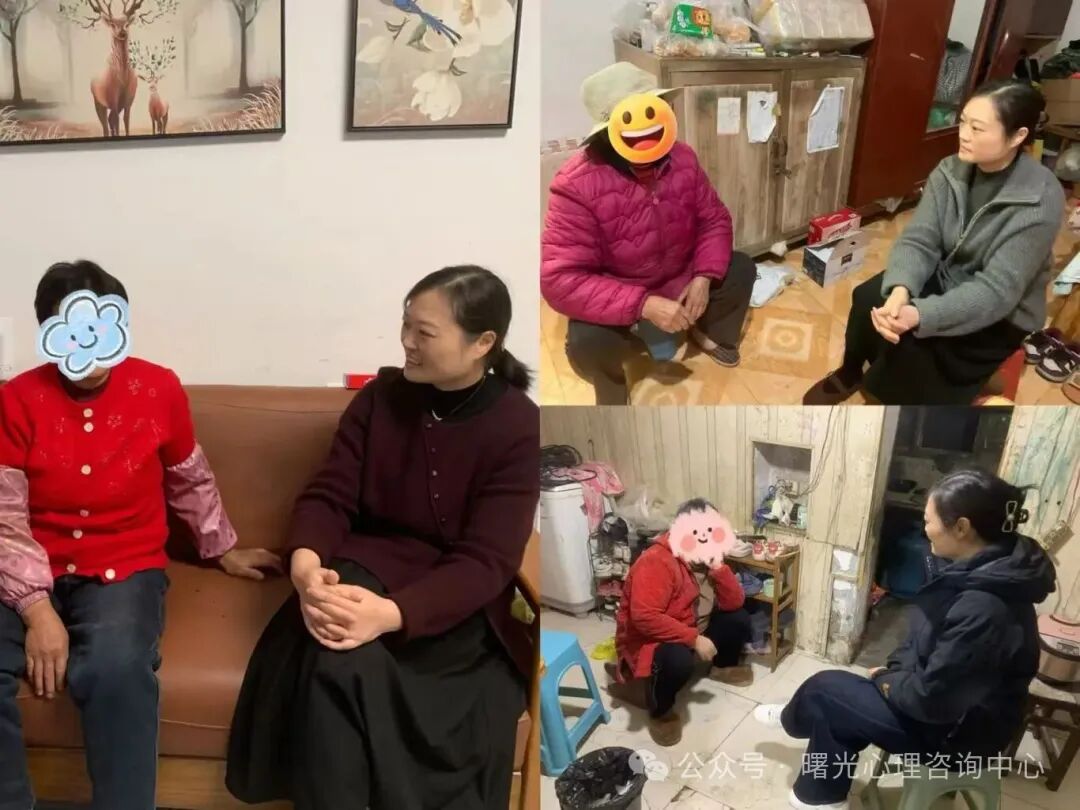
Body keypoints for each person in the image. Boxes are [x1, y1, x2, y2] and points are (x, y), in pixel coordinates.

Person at [226, 266, 539, 810]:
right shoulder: (380, 399)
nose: (407, 342)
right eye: (405, 325)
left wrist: (391, 615)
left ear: (482, 343)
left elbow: (487, 560)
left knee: (343, 666)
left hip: (454, 608)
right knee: (332, 657)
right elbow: (330, 494)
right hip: (363, 569)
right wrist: (306, 564)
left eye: (425, 332)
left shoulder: (518, 425)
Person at [0, 260, 280, 810]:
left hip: (124, 566)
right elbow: (5, 514)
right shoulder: (16, 399)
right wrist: (37, 610)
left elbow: (188, 475)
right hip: (26, 565)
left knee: (116, 669)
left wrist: (221, 547)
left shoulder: (157, 388)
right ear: (49, 332)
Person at [753, 469, 1055, 810]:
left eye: (928, 521)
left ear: (961, 527)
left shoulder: (985, 608)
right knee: (836, 707)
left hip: (959, 737)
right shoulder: (983, 569)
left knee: (825, 690)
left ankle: (794, 721)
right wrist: (896, 672)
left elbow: (932, 701)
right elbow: (922, 637)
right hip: (949, 708)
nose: (924, 529)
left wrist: (886, 679)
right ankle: (819, 796)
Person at [805, 79, 1065, 405]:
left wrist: (920, 314)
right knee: (869, 297)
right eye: (964, 121)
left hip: (1002, 313)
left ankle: (903, 391)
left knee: (913, 348)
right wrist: (901, 290)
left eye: (978, 128)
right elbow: (921, 238)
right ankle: (851, 370)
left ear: (1017, 136)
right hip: (949, 273)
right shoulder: (951, 170)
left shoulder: (1040, 198)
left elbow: (997, 292)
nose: (964, 134)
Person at [542, 61, 756, 405]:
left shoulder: (683, 157)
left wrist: (703, 276)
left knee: (740, 268)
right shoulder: (574, 185)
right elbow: (560, 280)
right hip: (622, 290)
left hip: (681, 275)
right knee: (588, 340)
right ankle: (613, 388)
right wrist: (642, 304)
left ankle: (707, 333)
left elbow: (714, 219)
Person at [606, 499, 753, 747]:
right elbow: (645, 617)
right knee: (678, 659)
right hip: (657, 639)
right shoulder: (657, 560)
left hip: (694, 626)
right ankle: (660, 710)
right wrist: (693, 639)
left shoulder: (704, 557)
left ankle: (722, 667)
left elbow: (734, 602)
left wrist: (718, 567)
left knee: (739, 618)